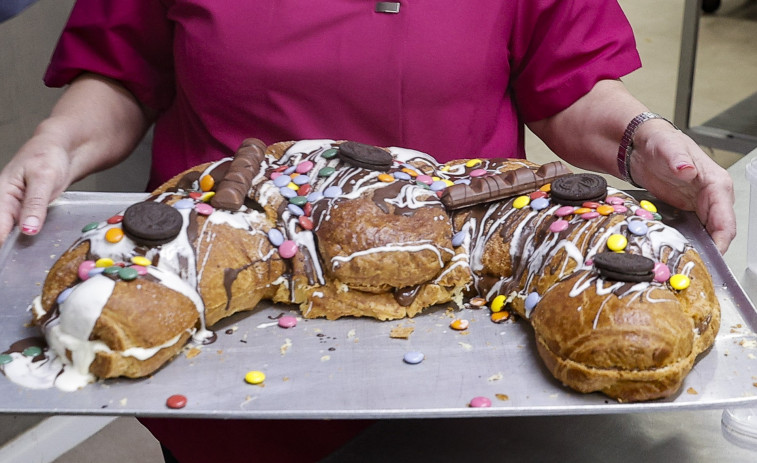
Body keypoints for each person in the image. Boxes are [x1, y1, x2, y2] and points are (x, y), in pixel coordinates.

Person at [0, 1, 737, 461]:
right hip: (220, 339)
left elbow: (571, 81)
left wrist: (643, 138)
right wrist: (58, 142)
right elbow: (123, 72)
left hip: (468, 339)